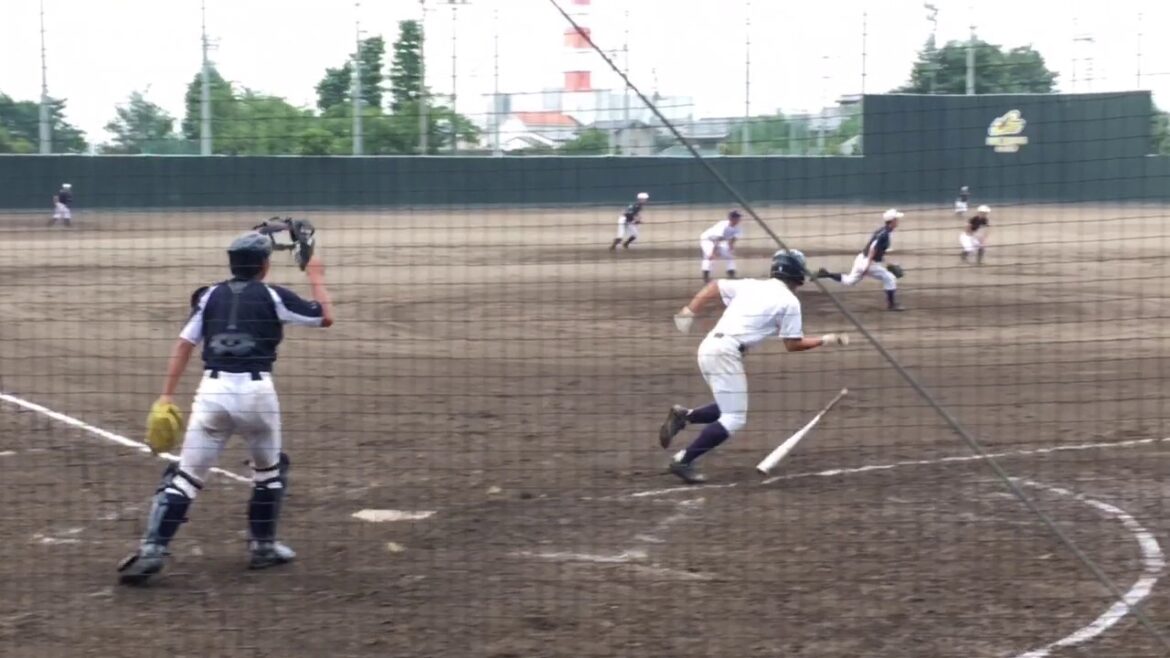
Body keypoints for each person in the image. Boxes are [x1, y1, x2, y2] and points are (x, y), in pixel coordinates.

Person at [117, 230, 335, 585]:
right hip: (257, 396)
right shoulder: (274, 295)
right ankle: (263, 547)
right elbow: (324, 316)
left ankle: (153, 550)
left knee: (185, 477)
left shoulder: (209, 295)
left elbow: (184, 344)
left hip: (212, 395)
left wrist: (166, 395)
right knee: (270, 471)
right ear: (264, 266)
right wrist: (316, 275)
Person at [661, 249, 851, 484]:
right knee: (734, 417)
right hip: (726, 353)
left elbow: (714, 286)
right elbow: (792, 344)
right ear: (796, 274)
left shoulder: (751, 285)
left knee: (728, 405)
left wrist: (688, 311)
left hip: (708, 347)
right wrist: (825, 339)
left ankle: (684, 416)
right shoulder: (790, 302)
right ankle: (684, 460)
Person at [814, 208, 906, 312]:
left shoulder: (884, 231)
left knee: (849, 281)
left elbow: (879, 251)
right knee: (889, 278)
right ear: (892, 221)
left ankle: (826, 274)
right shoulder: (884, 234)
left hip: (861, 259)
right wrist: (868, 265)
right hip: (867, 262)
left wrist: (887, 264)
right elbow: (873, 248)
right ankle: (892, 305)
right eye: (896, 219)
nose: (898, 221)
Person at [699, 210, 745, 282]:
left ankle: (732, 275)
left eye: (739, 217)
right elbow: (717, 239)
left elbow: (733, 240)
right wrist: (714, 252)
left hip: (719, 241)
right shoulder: (723, 225)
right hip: (707, 240)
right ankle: (706, 277)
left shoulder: (738, 228)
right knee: (710, 256)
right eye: (737, 217)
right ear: (731, 218)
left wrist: (730, 248)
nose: (739, 219)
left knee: (729, 256)